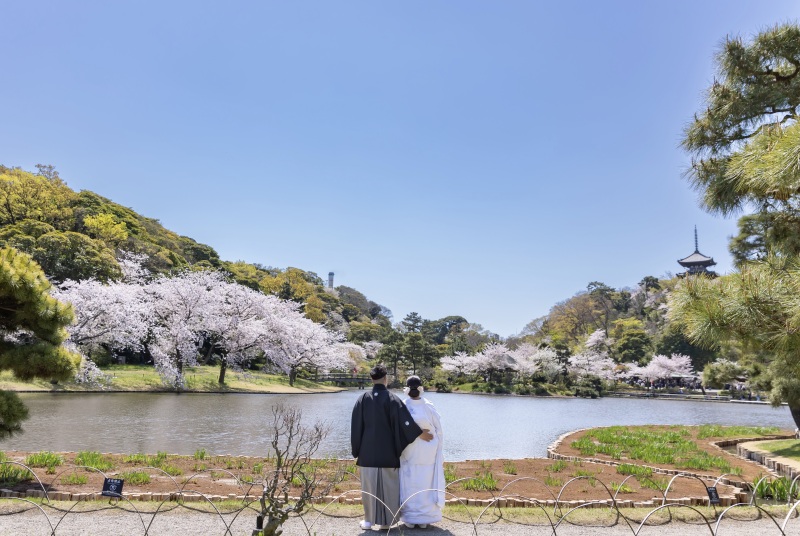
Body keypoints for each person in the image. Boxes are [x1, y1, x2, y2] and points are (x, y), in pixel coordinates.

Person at [351, 364, 433, 531]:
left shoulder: (363, 399)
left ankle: (368, 521)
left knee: (369, 488)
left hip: (367, 453)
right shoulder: (392, 399)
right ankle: (386, 522)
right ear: (386, 379)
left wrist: (356, 450)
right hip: (387, 452)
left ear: (371, 379)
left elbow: (355, 427)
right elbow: (406, 423)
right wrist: (419, 433)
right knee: (389, 486)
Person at [399, 375, 445, 529]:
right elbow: (439, 430)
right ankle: (425, 517)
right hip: (428, 449)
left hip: (409, 447)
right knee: (426, 479)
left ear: (406, 388)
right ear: (421, 388)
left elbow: (399, 429)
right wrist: (436, 445)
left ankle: (410, 517)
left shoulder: (402, 406)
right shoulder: (428, 406)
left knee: (410, 481)